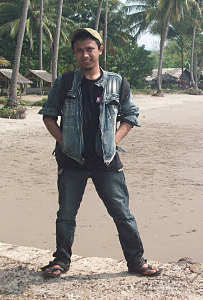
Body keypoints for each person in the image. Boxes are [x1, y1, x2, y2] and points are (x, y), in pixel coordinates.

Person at [38, 28, 161, 278]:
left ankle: (136, 261)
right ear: (75, 54)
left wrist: (113, 141)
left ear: (99, 50)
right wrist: (64, 143)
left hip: (107, 161)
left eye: (90, 49)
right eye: (80, 50)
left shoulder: (117, 82)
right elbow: (49, 115)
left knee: (122, 214)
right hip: (72, 161)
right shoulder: (65, 82)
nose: (85, 55)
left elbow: (130, 116)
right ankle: (61, 261)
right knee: (66, 215)